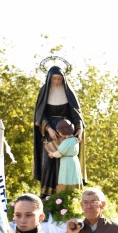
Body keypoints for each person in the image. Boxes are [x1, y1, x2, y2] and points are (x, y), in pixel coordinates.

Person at [33, 65, 84, 196]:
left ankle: (65, 194)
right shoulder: (44, 91)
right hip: (50, 132)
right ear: (49, 78)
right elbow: (39, 114)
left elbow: (76, 113)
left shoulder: (68, 92)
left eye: (59, 79)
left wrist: (80, 128)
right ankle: (47, 196)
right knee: (48, 163)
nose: (57, 82)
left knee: (65, 162)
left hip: (66, 130)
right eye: (54, 79)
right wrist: (48, 128)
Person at [50, 119, 83, 191]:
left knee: (66, 177)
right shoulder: (75, 139)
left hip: (67, 162)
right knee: (74, 177)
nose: (59, 133)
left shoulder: (66, 142)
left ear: (63, 131)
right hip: (74, 161)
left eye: (59, 132)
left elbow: (59, 153)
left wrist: (52, 154)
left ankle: (65, 192)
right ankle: (75, 191)